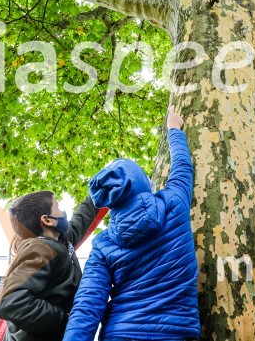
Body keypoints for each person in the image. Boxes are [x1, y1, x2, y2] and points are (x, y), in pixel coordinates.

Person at [63, 105, 200, 341]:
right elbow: (182, 167)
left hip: (120, 333)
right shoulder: (174, 202)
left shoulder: (103, 246)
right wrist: (174, 129)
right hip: (177, 333)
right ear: (141, 182)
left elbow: (87, 305)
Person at [0, 188, 105, 341]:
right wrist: (64, 319)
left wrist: (99, 190)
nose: (63, 212)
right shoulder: (39, 249)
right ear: (47, 220)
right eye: (58, 207)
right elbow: (12, 303)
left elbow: (81, 219)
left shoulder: (62, 242)